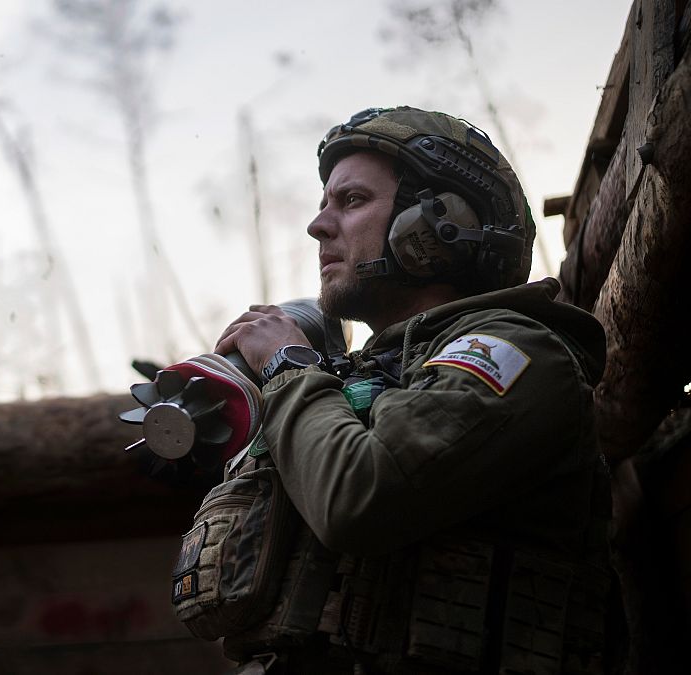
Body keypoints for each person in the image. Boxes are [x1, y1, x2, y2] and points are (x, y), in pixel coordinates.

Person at [211, 107, 610, 674]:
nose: (318, 226)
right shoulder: (353, 378)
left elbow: (360, 495)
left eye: (350, 201)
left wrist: (286, 364)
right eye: (326, 203)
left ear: (440, 221)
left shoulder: (520, 353)